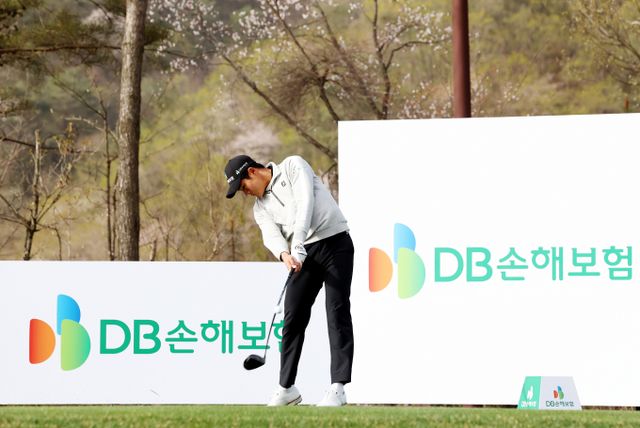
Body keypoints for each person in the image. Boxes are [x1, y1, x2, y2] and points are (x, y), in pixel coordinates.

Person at [225, 154, 354, 407]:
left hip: (335, 242)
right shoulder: (260, 208)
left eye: (243, 186)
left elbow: (306, 202)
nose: (245, 193)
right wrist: (285, 254)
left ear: (252, 172)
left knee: (336, 310)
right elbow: (271, 235)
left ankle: (337, 388)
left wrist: (297, 242)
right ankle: (287, 388)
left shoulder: (293, 166)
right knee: (293, 315)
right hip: (302, 254)